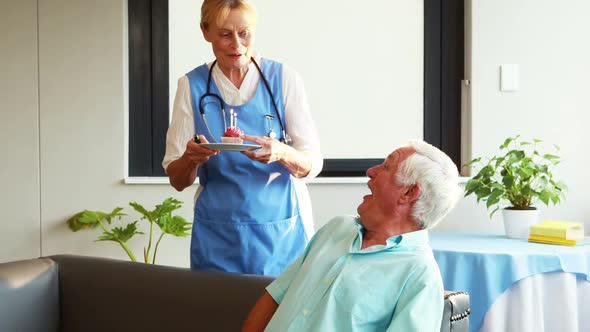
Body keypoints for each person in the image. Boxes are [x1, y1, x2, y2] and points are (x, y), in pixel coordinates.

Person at [162, 0, 322, 276]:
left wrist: (282, 152)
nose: (237, 44)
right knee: (220, 314)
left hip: (280, 231)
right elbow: (178, 180)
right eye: (225, 34)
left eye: (245, 33)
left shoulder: (284, 79)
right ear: (205, 31)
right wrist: (190, 159)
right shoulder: (191, 85)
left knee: (279, 317)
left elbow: (312, 164)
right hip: (218, 234)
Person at [242, 140, 461, 331]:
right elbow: (276, 298)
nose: (371, 171)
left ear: (408, 193)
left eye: (386, 167)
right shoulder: (336, 229)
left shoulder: (420, 276)